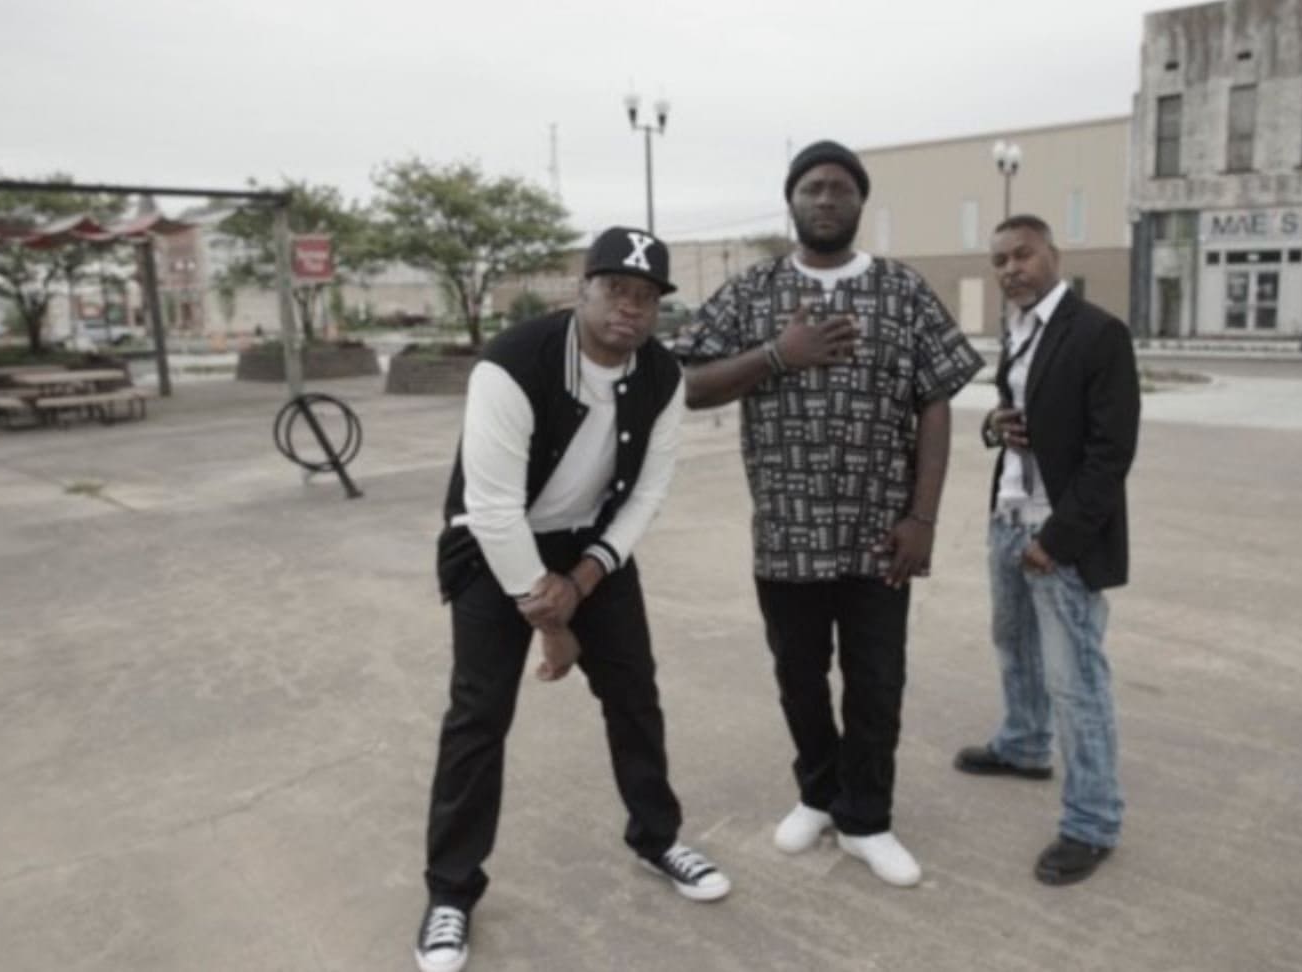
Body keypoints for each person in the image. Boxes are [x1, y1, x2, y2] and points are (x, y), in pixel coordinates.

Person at [416, 227, 730, 972]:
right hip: (495, 544)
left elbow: (648, 493)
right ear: (581, 290)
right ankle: (451, 894)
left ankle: (657, 838)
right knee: (478, 715)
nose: (631, 307)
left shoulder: (661, 375)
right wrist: (552, 624)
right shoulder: (510, 365)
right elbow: (491, 508)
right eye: (616, 289)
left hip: (591, 549)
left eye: (647, 297)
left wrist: (584, 578)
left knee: (634, 696)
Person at [674, 141, 983, 888]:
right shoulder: (752, 293)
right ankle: (819, 795)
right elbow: (689, 384)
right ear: (791, 200)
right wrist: (780, 354)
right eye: (810, 187)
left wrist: (924, 517)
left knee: (877, 681)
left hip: (881, 535)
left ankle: (867, 820)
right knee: (800, 676)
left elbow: (936, 400)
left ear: (858, 203)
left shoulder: (902, 291)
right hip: (786, 532)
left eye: (839, 188)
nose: (824, 199)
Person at [953, 214, 1140, 887]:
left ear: (1052, 254)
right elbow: (1021, 419)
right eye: (999, 259)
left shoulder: (1098, 333)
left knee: (1076, 680)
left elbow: (1110, 453)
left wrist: (1055, 541)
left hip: (1057, 534)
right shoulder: (1019, 333)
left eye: (1021, 255)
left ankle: (1092, 822)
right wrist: (993, 423)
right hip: (1008, 519)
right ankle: (1024, 746)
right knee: (1014, 649)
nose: (1009, 269)